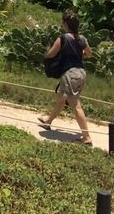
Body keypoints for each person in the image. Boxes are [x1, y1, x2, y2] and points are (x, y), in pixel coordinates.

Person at [37, 10, 93, 145]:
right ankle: (48, 121)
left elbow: (51, 54)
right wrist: (79, 55)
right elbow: (89, 54)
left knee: (75, 105)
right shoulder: (82, 39)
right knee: (61, 98)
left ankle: (87, 137)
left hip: (70, 73)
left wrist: (45, 56)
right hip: (80, 72)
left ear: (66, 24)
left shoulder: (63, 38)